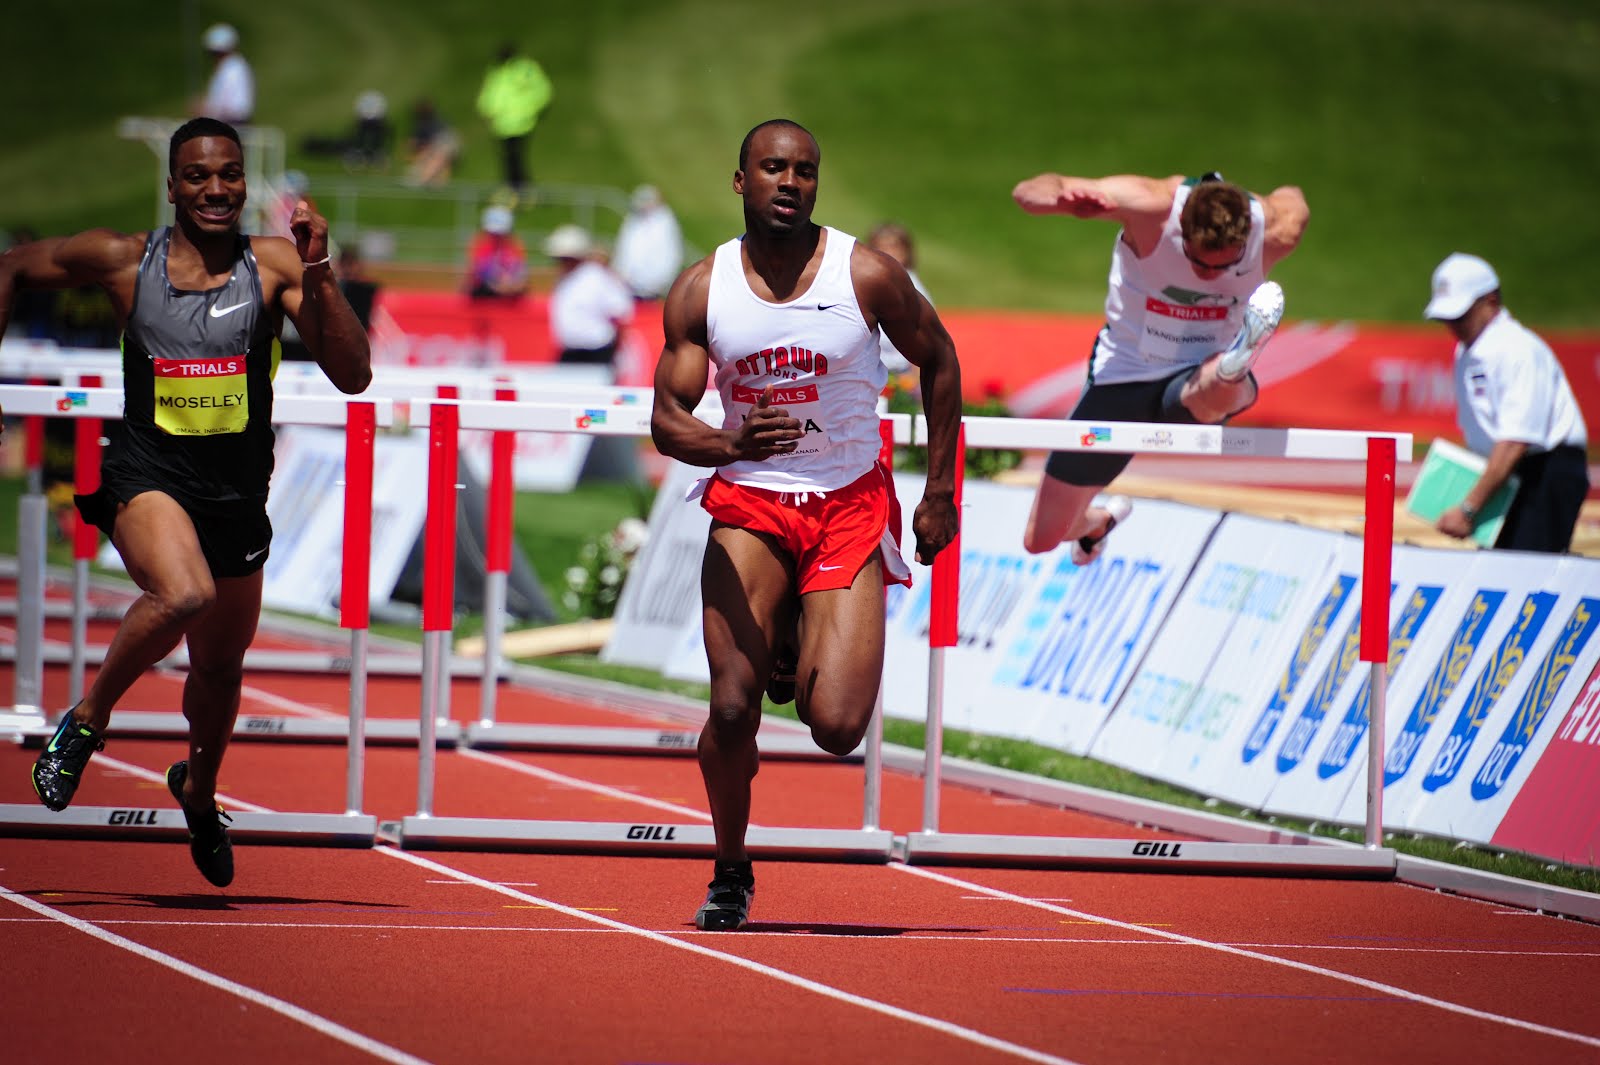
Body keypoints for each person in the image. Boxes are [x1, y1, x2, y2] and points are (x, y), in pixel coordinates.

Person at [0, 117, 372, 886]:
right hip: (147, 475)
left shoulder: (273, 266)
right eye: (198, 176)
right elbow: (10, 266)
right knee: (184, 594)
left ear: (244, 182)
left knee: (219, 670)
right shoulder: (123, 260)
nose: (215, 190)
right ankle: (85, 721)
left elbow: (354, 375)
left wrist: (322, 269)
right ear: (171, 185)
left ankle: (199, 792)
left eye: (229, 175)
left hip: (237, 493)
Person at [650, 119, 962, 930]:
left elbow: (940, 360)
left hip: (848, 504)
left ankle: (792, 632)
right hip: (750, 501)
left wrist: (938, 492)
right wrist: (727, 442)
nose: (791, 183)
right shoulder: (701, 288)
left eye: (806, 171)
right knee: (730, 707)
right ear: (740, 179)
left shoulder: (865, 274)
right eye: (774, 168)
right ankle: (728, 867)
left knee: (836, 727)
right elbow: (666, 419)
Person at [1012, 170, 1307, 563]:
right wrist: (1053, 199)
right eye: (1198, 262)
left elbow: (1294, 195)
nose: (1208, 276)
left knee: (1214, 384)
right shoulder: (1150, 207)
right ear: (1181, 230)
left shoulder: (1275, 230)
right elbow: (1031, 191)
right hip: (1123, 377)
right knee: (1042, 538)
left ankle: (1236, 364)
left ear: (1246, 240)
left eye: (1223, 266)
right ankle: (1097, 522)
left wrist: (1253, 201)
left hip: (1197, 378)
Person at [1424, 252, 1589, 552]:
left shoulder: (1517, 349)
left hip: (1544, 472)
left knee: (1529, 573)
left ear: (1490, 301)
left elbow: (1516, 440)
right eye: (1447, 318)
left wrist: (1469, 508)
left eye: (1460, 315)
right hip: (1510, 470)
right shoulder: (1469, 351)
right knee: (1500, 568)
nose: (1453, 326)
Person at [544, 223, 633, 366]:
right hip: (570, 351)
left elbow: (620, 311)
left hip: (596, 352)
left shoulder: (596, 277)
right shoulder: (564, 281)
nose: (560, 263)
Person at [475, 43, 553, 194]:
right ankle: (514, 188)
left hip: (520, 123)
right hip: (503, 124)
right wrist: (486, 109)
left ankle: (520, 189)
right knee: (509, 158)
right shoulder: (498, 71)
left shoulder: (523, 70)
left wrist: (533, 109)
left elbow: (542, 90)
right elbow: (491, 94)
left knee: (515, 157)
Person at [865, 221, 933, 375]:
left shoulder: (910, 285)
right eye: (881, 247)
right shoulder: (869, 280)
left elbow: (924, 331)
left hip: (901, 368)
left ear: (906, 252)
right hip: (871, 363)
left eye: (894, 247)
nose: (888, 252)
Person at [612, 185, 684, 301]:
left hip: (652, 288)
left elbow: (670, 255)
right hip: (626, 285)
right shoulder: (633, 219)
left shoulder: (665, 224)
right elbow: (624, 247)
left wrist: (658, 282)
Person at [465, 205, 529, 300]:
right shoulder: (480, 244)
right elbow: (478, 272)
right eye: (493, 232)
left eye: (500, 233)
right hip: (485, 291)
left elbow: (521, 272)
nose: (496, 236)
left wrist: (513, 285)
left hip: (510, 290)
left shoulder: (515, 246)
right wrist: (498, 285)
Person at [195, 23, 254, 125]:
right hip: (228, 121)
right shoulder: (231, 67)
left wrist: (205, 108)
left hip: (232, 123)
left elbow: (228, 104)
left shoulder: (233, 69)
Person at [403, 98, 461, 187]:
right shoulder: (438, 120)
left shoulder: (422, 125)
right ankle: (438, 183)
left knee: (435, 158)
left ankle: (421, 180)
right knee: (442, 160)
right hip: (451, 141)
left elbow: (416, 144)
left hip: (444, 142)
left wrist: (416, 155)